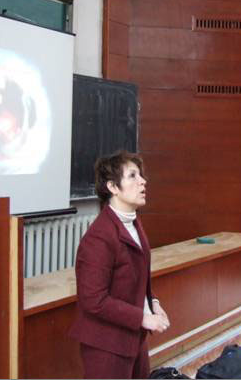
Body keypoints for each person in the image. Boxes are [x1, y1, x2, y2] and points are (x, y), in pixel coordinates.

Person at [69, 150, 170, 379]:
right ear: (113, 187)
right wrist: (143, 318)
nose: (143, 181)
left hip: (132, 338)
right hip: (106, 345)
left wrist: (152, 303)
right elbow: (93, 300)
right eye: (133, 176)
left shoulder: (133, 223)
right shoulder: (99, 237)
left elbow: (135, 276)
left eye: (140, 175)